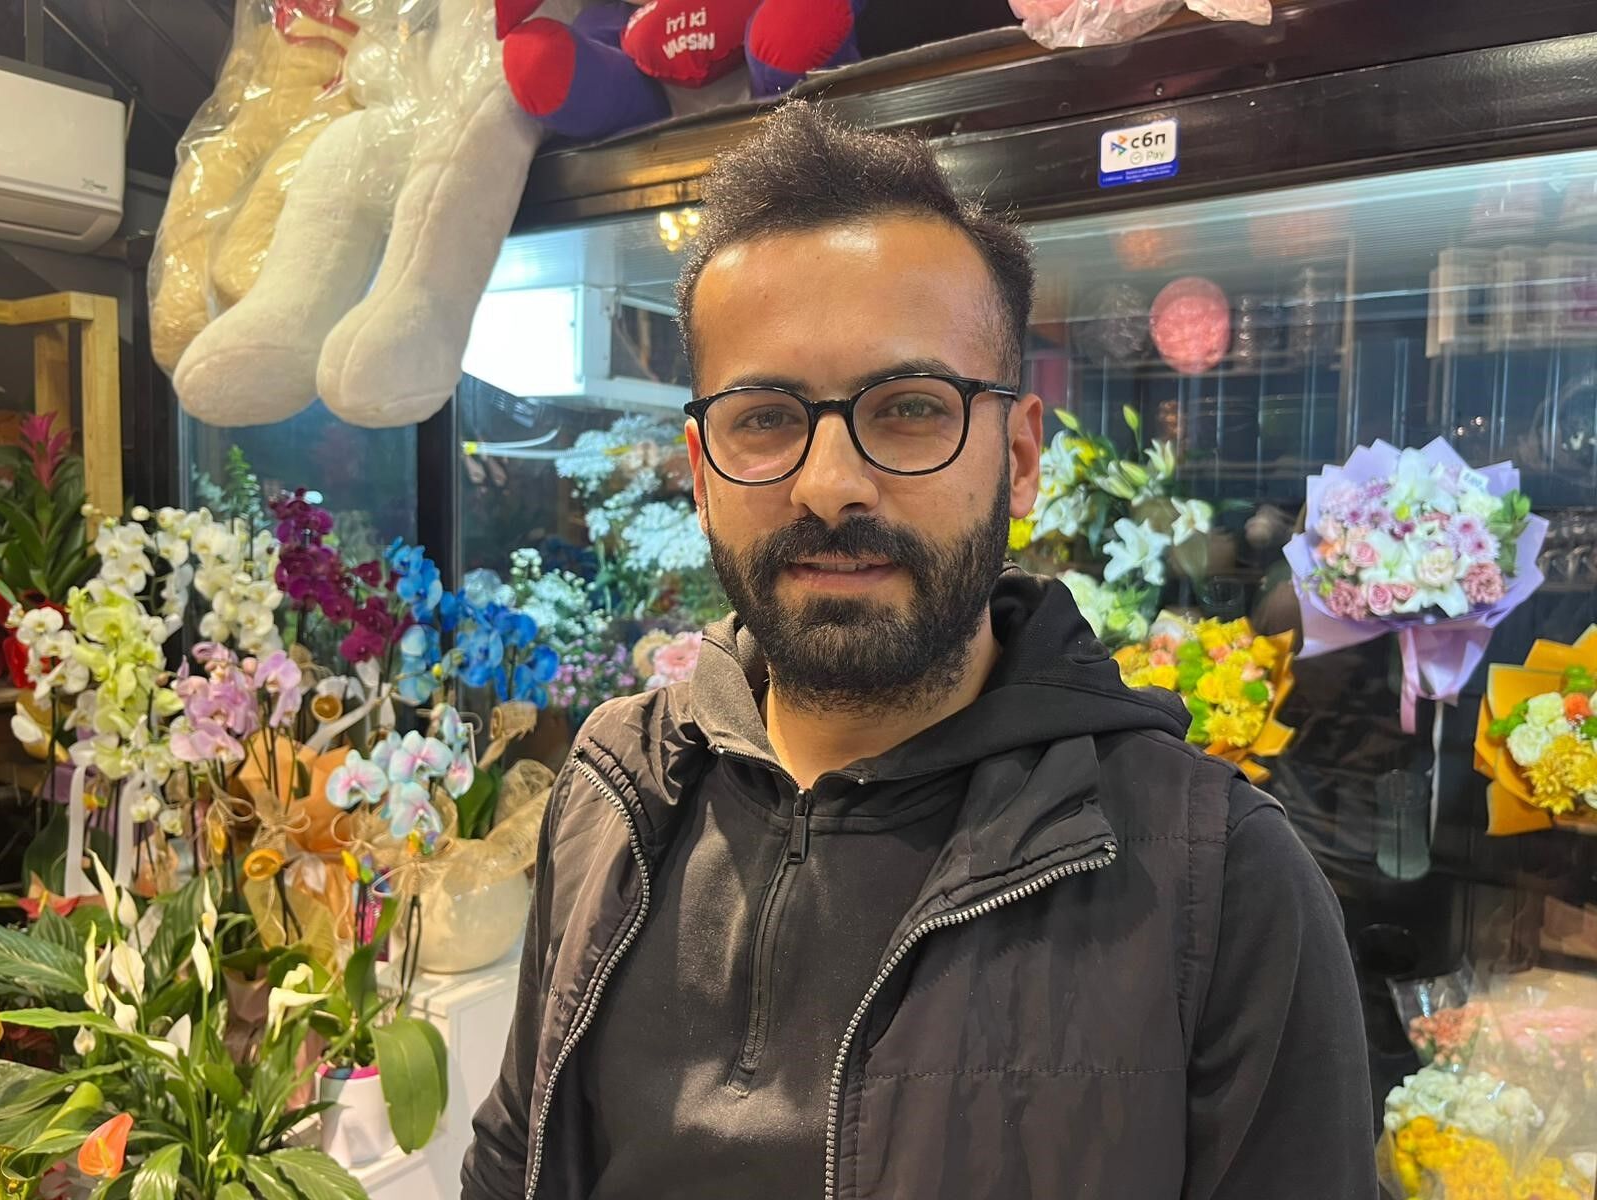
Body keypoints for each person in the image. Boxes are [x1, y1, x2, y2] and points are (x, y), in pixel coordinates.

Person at [463, 101, 1376, 1200]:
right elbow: (513, 1158)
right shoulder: (615, 791)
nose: (829, 484)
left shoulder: (1217, 882)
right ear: (701, 472)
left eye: (907, 408)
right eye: (765, 417)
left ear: (1020, 459)